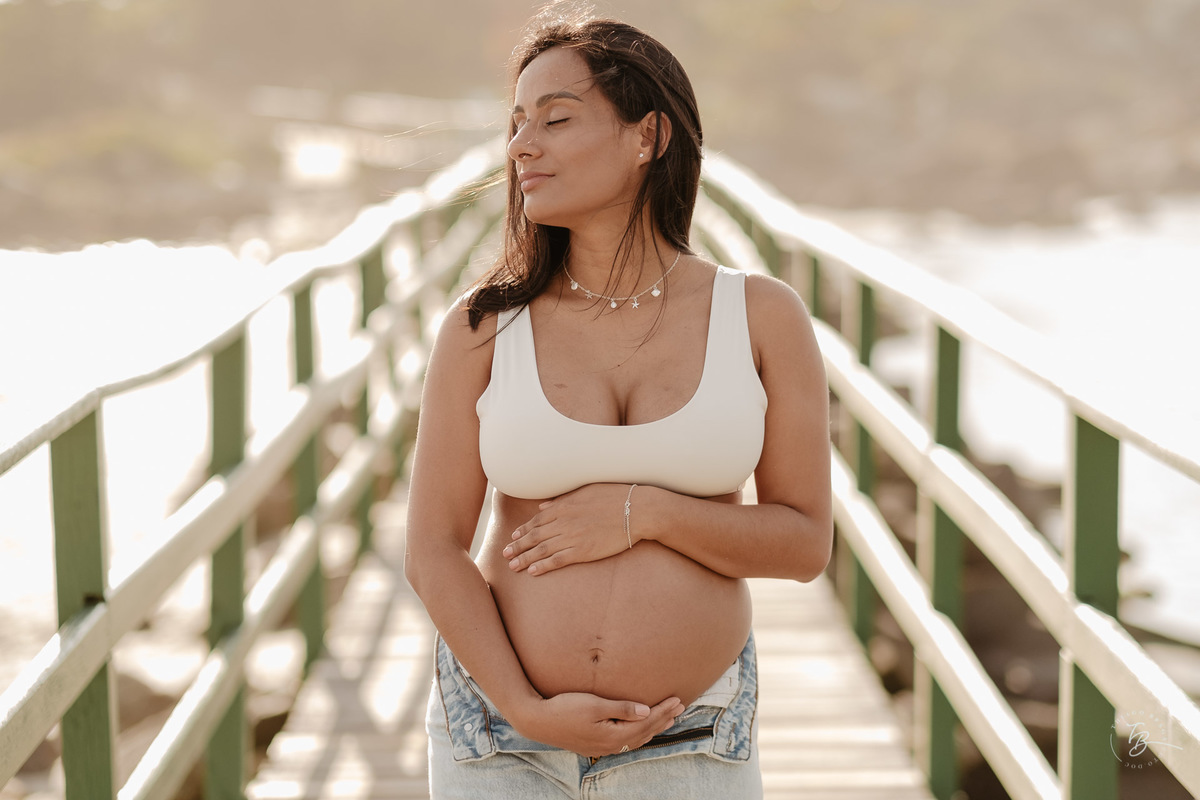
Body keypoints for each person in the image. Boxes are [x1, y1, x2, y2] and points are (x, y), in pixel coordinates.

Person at [404, 7, 833, 798]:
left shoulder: (762, 315)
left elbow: (805, 543)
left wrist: (647, 511)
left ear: (648, 137)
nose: (521, 146)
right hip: (499, 740)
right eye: (516, 124)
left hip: (690, 737)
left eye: (556, 119)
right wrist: (524, 706)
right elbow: (433, 548)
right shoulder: (482, 327)